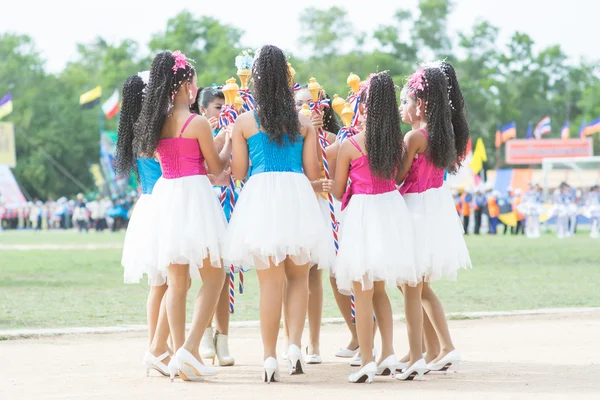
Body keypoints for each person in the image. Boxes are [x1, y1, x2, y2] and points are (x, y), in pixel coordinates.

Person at [225, 45, 333, 383]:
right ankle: (295, 347)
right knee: (299, 277)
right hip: (296, 196)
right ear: (287, 79)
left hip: (260, 198)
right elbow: (312, 171)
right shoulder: (303, 122)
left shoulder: (244, 122)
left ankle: (269, 357)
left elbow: (240, 173)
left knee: (270, 283)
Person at [134, 50, 232, 381]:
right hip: (194, 196)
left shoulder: (156, 124)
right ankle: (189, 349)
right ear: (185, 85)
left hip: (167, 195)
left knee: (177, 283)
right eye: (194, 81)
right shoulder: (198, 122)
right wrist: (228, 144)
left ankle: (177, 353)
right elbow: (216, 170)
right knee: (215, 276)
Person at [333, 72, 420, 383]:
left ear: (365, 108)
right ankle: (388, 352)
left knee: (363, 288)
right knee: (380, 287)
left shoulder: (351, 145)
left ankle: (367, 360)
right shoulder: (396, 143)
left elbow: (337, 189)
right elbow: (397, 178)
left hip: (363, 213)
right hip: (390, 209)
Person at [397, 62, 472, 374]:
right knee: (416, 284)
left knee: (412, 284)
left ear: (421, 105)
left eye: (405, 101)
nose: (402, 108)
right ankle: (432, 347)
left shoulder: (414, 137)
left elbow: (398, 176)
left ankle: (443, 346)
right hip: (435, 208)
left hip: (414, 209)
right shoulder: (446, 132)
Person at [115, 73, 173, 377]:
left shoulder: (133, 130)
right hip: (164, 203)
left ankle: (160, 346)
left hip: (147, 206)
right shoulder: (157, 129)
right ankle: (159, 349)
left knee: (158, 283)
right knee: (172, 282)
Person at [193, 86, 235, 367]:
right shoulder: (198, 129)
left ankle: (223, 337)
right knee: (209, 275)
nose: (222, 112)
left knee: (225, 275)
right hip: (203, 203)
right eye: (217, 107)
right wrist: (221, 137)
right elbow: (207, 166)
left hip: (229, 203)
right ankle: (205, 334)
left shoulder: (233, 128)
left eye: (224, 106)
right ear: (203, 109)